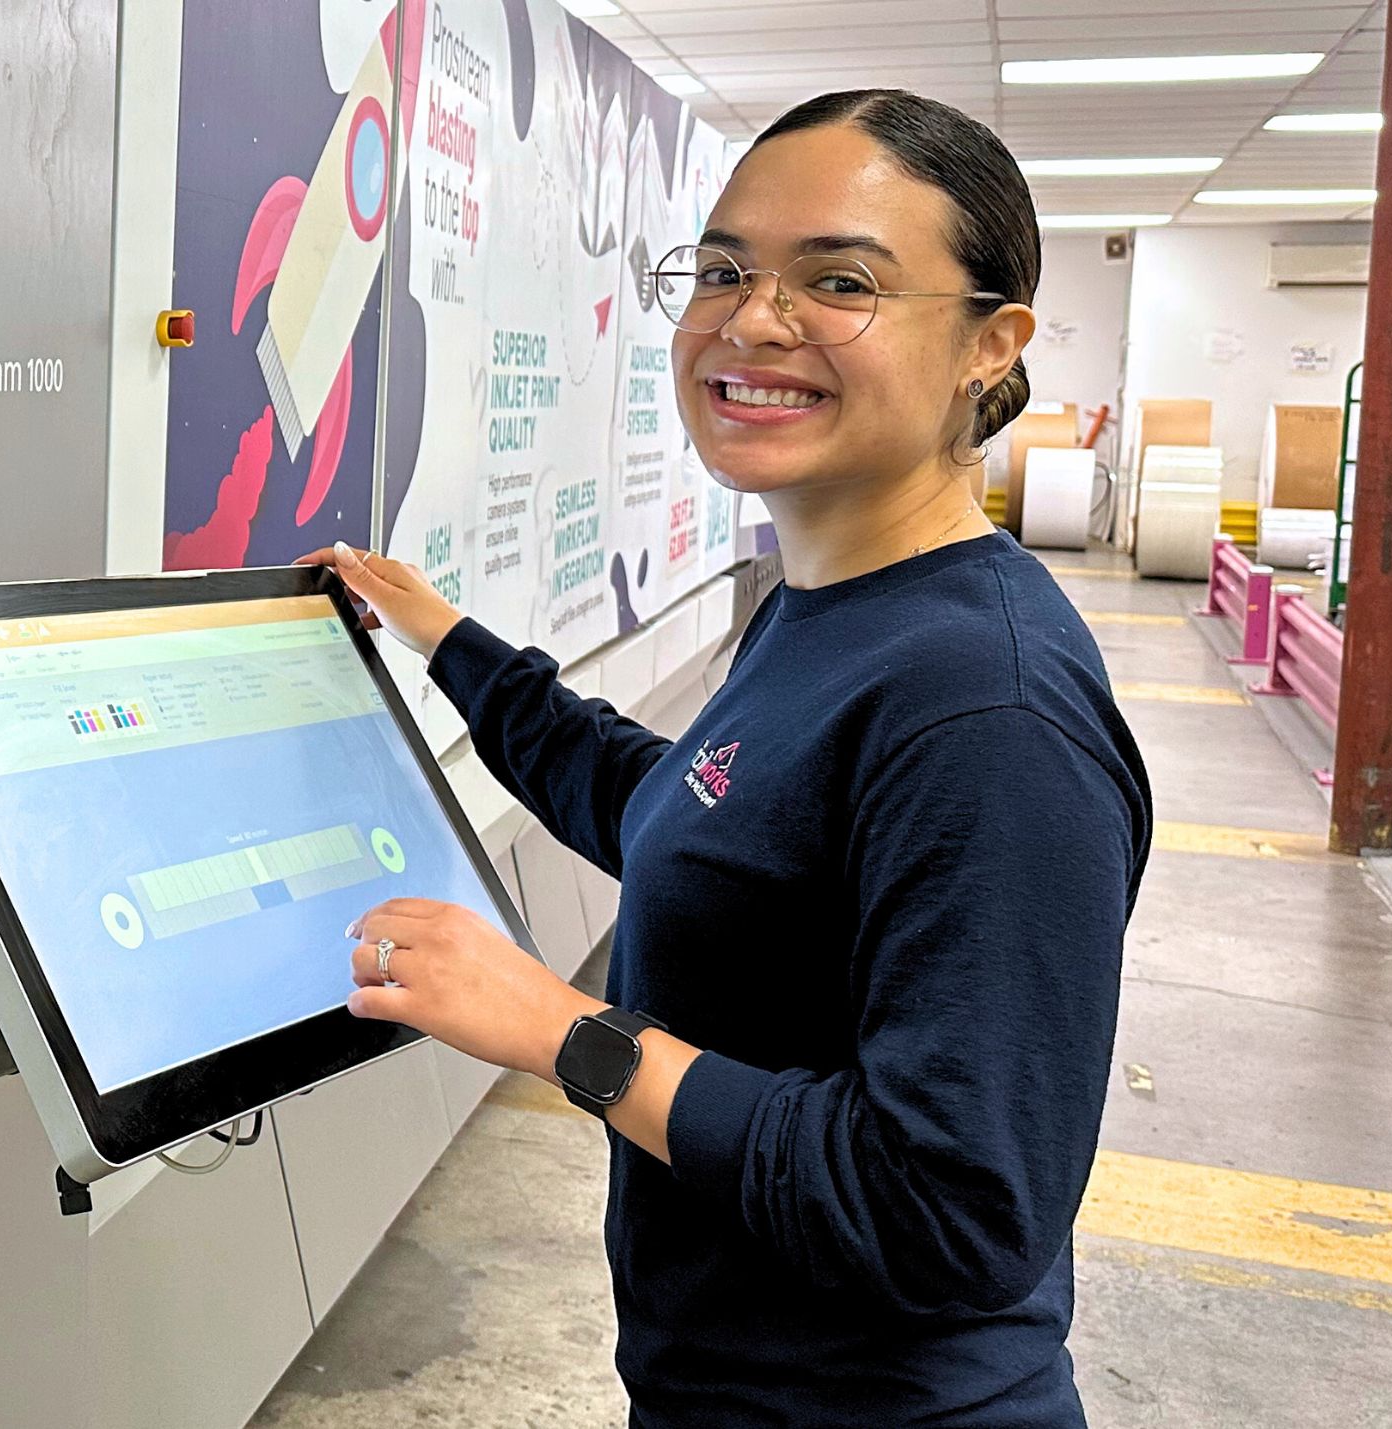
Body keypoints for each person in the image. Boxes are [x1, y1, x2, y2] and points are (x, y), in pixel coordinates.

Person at [300, 88, 1152, 1428]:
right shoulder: (831, 604)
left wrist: (561, 1030)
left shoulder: (988, 710)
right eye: (722, 270)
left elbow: (950, 1209)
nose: (754, 320)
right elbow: (684, 816)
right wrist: (443, 635)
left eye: (840, 281)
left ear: (992, 344)